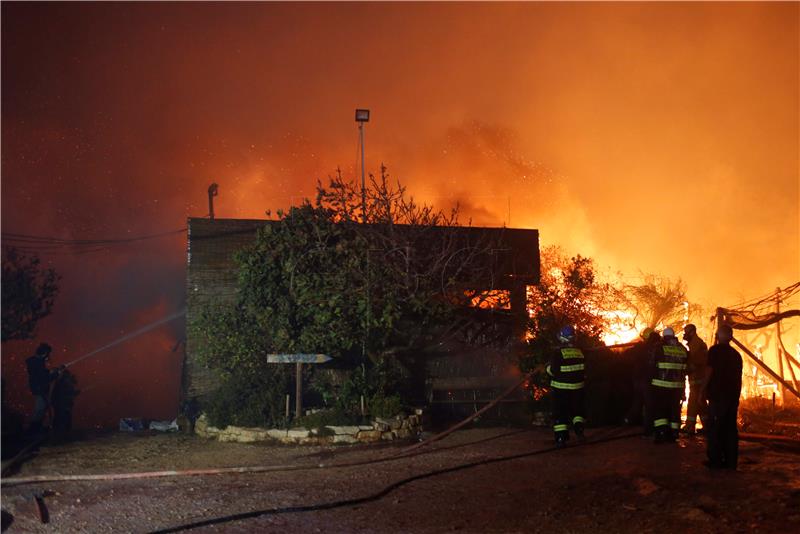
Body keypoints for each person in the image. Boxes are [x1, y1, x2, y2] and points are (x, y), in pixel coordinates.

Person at [705, 324, 742, 470]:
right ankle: (731, 462)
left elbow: (709, 371)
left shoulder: (714, 351)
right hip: (732, 397)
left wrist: (702, 390)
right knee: (730, 429)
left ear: (718, 336)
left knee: (715, 429)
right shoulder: (736, 355)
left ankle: (715, 462)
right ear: (731, 337)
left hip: (717, 397)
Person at [547, 325, 586, 447]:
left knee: (560, 412)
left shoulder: (558, 353)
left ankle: (560, 439)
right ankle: (579, 431)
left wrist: (546, 368)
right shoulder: (580, 352)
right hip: (578, 388)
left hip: (561, 388)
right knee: (577, 411)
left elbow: (553, 370)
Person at [649, 327, 687, 443]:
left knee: (660, 410)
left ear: (664, 336)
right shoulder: (682, 349)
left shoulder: (659, 348)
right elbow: (685, 368)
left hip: (661, 385)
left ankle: (661, 433)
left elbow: (651, 365)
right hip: (677, 387)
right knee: (674, 410)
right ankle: (674, 433)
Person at [25, 343, 63, 434]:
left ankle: (35, 429)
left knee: (42, 408)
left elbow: (42, 374)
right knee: (40, 409)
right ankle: (33, 430)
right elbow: (44, 378)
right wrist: (56, 374)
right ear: (45, 353)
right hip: (40, 389)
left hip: (39, 388)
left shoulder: (35, 362)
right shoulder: (38, 363)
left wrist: (51, 371)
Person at [682, 324, 709, 434]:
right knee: (701, 403)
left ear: (692, 332)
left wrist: (684, 368)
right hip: (698, 380)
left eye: (686, 332)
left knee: (693, 403)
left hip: (698, 380)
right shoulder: (696, 343)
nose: (685, 334)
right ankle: (708, 426)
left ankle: (689, 427)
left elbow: (694, 363)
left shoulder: (696, 344)